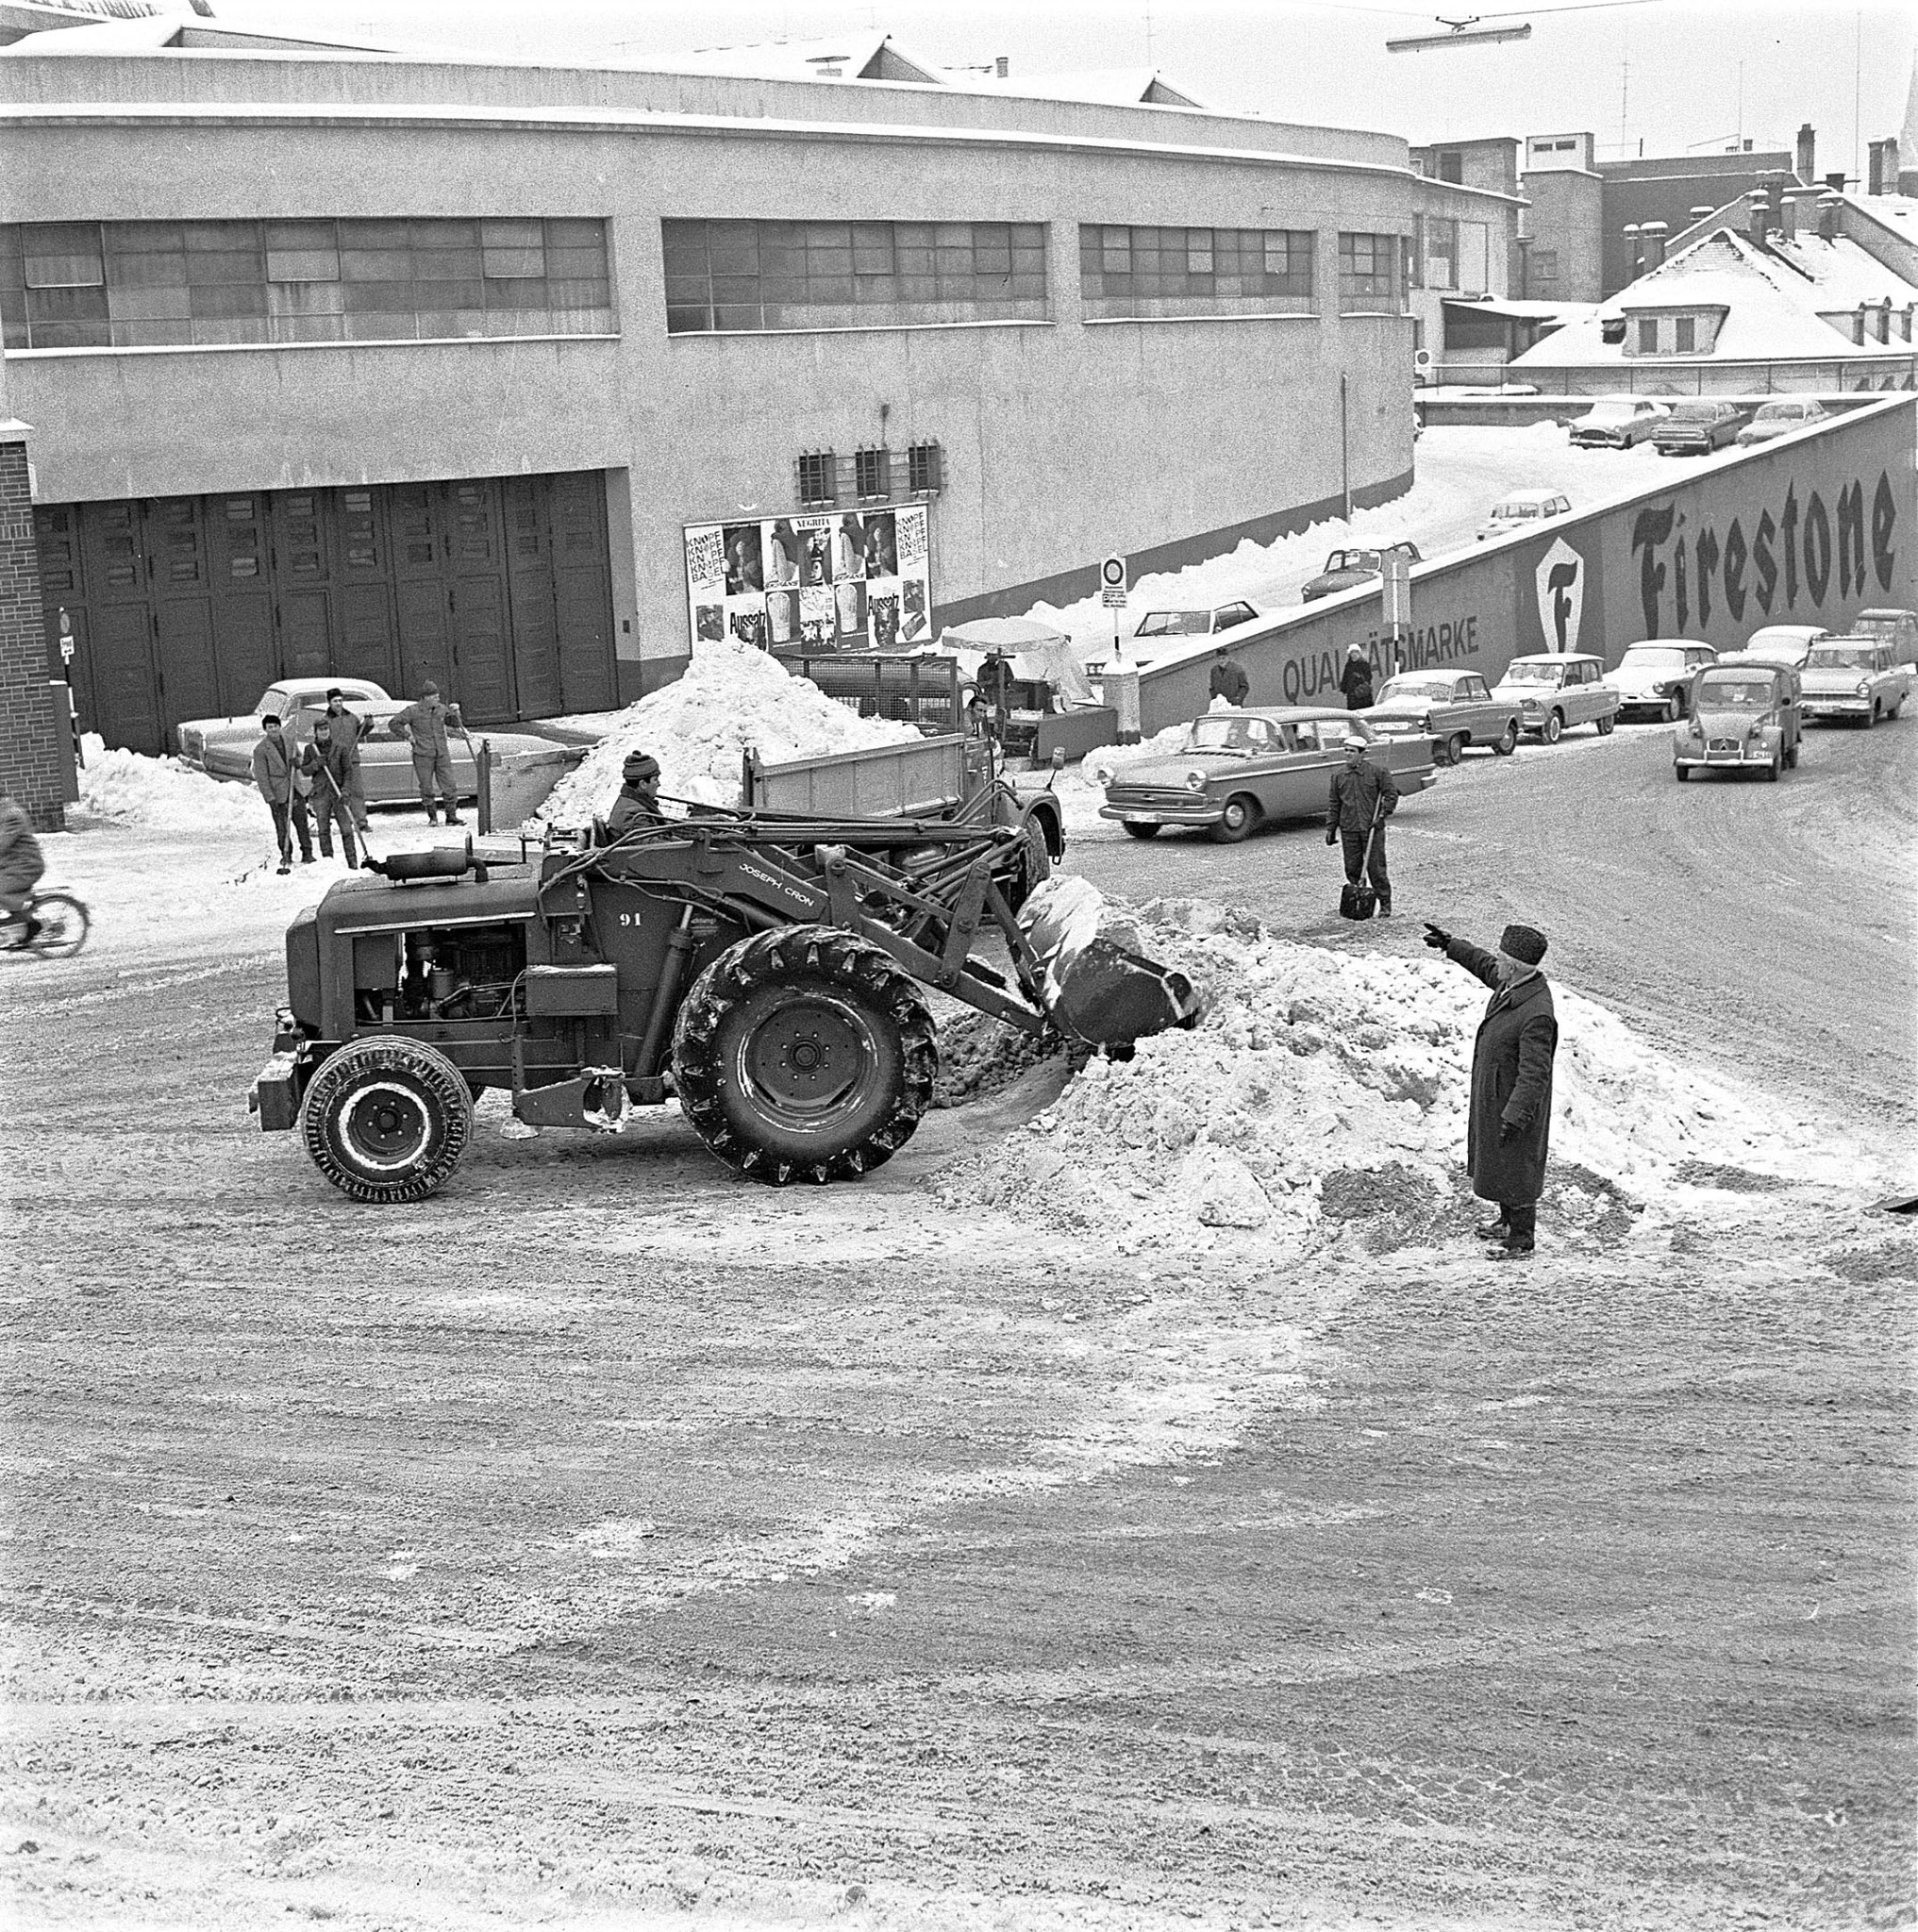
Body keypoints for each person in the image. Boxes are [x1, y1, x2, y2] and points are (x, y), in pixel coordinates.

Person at [1423, 921, 1559, 1261]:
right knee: (1501, 1162)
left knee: (1518, 1165)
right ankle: (1505, 1221)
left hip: (1515, 1103)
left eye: (1502, 960)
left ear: (1513, 967)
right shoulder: (1514, 985)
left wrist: (1515, 1115)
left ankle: (1521, 1238)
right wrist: (1451, 946)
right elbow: (1483, 964)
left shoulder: (1536, 1013)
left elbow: (1534, 1074)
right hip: (1498, 1094)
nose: (1496, 965)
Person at [1325, 732, 1397, 917]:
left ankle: (1385, 904)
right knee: (1352, 867)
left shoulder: (1378, 773)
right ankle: (1359, 901)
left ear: (1362, 753)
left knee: (1376, 869)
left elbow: (1390, 795)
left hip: (1371, 828)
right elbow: (1334, 804)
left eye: (1352, 751)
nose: (1348, 754)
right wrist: (1331, 828)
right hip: (1349, 829)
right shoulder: (1339, 776)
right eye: (1346, 750)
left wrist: (1383, 814)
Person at [386, 680, 463, 826]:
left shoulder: (441, 709)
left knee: (450, 785)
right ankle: (432, 817)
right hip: (422, 754)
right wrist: (407, 736)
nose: (437, 698)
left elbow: (454, 723)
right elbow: (394, 723)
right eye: (434, 696)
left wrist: (456, 713)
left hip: (441, 753)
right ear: (425, 697)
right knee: (426, 787)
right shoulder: (413, 711)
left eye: (437, 696)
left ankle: (451, 816)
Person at [251, 713, 314, 874]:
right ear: (265, 729)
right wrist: (270, 798)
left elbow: (300, 759)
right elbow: (262, 776)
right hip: (278, 792)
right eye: (269, 727)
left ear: (280, 727)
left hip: (295, 788)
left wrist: (298, 762)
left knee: (301, 822)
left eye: (275, 726)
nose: (273, 729)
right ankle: (286, 854)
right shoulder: (261, 750)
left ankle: (307, 852)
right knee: (282, 826)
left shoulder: (289, 741)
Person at [300, 718, 364, 868]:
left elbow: (348, 771)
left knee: (346, 829)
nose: (324, 732)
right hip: (321, 793)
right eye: (321, 730)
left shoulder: (340, 748)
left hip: (339, 793)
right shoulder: (311, 749)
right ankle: (328, 862)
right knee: (323, 829)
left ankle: (352, 862)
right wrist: (315, 764)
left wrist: (346, 790)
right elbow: (305, 771)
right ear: (316, 732)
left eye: (326, 729)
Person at [0, 788, 46, 949]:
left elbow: (3, 843)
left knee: (2, 889)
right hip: (12, 864)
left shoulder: (11, 814)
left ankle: (31, 925)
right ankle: (20, 921)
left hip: (26, 865)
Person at [605, 752, 662, 837]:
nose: (659, 784)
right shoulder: (634, 814)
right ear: (643, 784)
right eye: (655, 779)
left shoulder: (630, 801)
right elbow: (652, 844)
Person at [975, 649, 1014, 739]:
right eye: (990, 655)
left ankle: (1005, 734)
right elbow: (979, 683)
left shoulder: (1004, 665)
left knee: (1004, 714)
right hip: (989, 695)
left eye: (994, 655)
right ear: (987, 656)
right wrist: (989, 682)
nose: (992, 657)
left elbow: (1011, 677)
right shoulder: (982, 668)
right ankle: (988, 735)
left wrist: (1002, 680)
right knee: (988, 717)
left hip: (1002, 694)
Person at [1208, 644, 1250, 708]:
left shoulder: (1237, 669)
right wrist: (1214, 699)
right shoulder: (1214, 671)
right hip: (1219, 705)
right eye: (1219, 659)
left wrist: (1238, 698)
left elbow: (1244, 686)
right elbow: (1212, 687)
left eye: (1223, 658)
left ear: (1228, 657)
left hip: (1234, 705)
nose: (1221, 661)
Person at [1339, 641, 1376, 710]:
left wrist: (1360, 679)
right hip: (1352, 693)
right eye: (1352, 652)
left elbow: (1369, 677)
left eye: (1356, 652)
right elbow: (1345, 677)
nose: (1354, 654)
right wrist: (1343, 689)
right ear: (1350, 654)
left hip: (1362, 693)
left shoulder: (1364, 663)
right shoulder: (1349, 665)